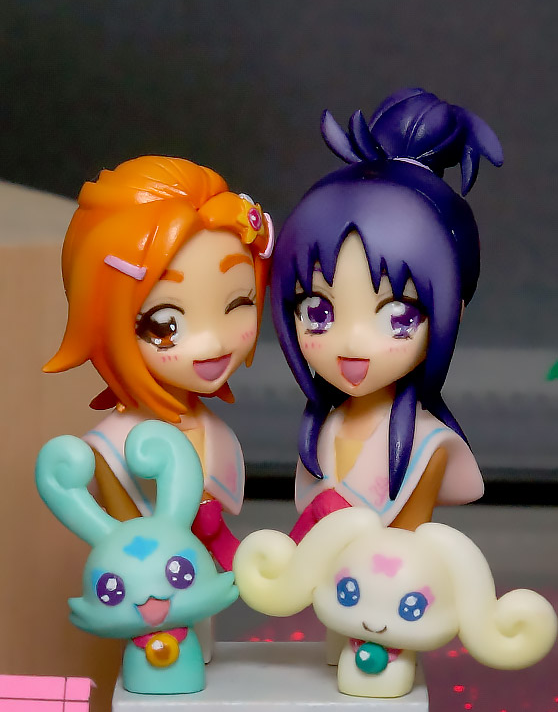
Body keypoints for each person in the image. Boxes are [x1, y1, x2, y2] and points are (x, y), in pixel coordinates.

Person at [271, 88, 503, 540]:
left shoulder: (427, 446)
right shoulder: (324, 431)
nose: (352, 342)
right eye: (317, 311)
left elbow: (405, 548)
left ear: (451, 311)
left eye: (398, 317)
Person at [44, 155, 273, 572]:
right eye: (166, 323)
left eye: (238, 303)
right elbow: (129, 552)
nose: (212, 342)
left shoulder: (212, 430)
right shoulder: (111, 450)